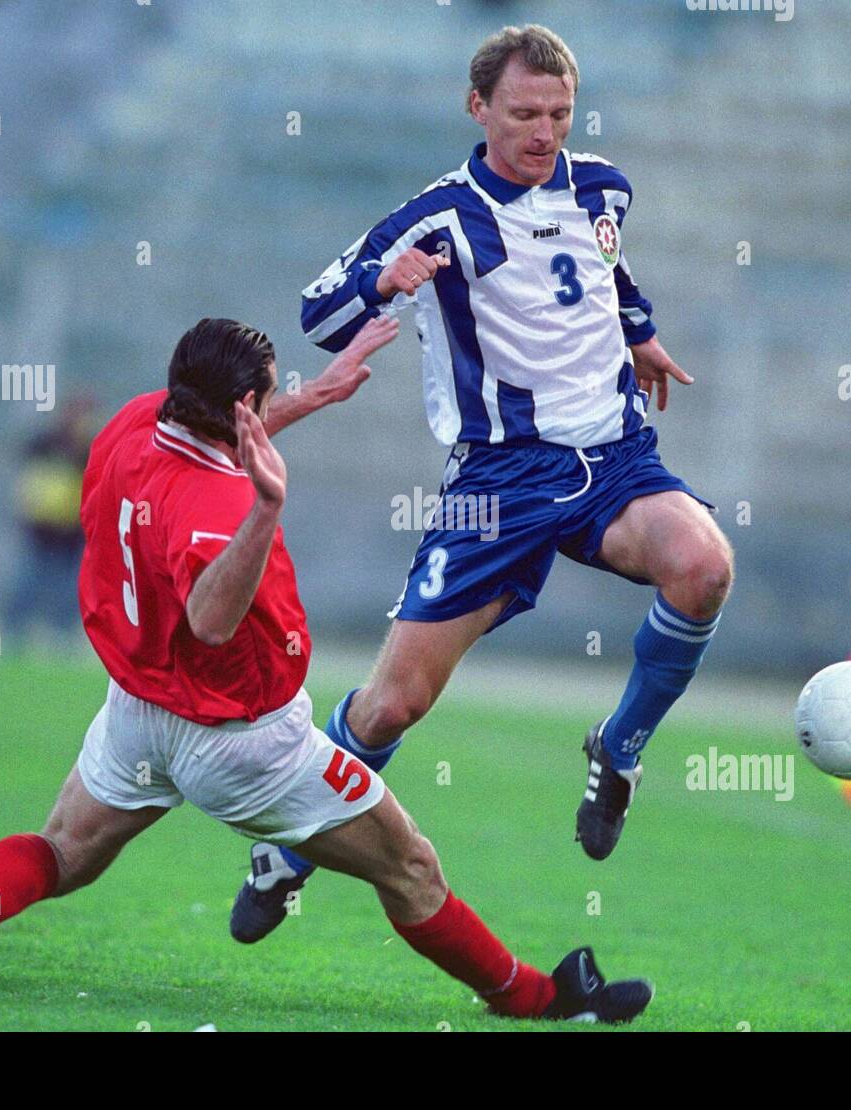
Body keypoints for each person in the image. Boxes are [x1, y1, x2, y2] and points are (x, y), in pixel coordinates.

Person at [0, 316, 653, 1025]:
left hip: (135, 711)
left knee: (60, 851)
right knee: (410, 870)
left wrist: (315, 396)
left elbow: (228, 440)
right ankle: (541, 1000)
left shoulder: (132, 422)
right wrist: (266, 507)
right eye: (271, 389)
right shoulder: (224, 503)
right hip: (243, 741)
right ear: (243, 405)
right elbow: (212, 618)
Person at [233, 23, 733, 942]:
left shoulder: (603, 186)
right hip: (498, 482)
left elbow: (607, 271)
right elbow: (318, 309)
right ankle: (289, 849)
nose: (544, 132)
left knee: (704, 566)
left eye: (559, 114)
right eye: (524, 113)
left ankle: (617, 749)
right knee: (393, 704)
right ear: (478, 108)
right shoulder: (439, 215)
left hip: (615, 458)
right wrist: (385, 280)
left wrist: (640, 332)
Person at [0, 396, 95, 647]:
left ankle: (61, 637)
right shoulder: (44, 443)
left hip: (71, 532)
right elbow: (31, 480)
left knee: (67, 588)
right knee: (29, 582)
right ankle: (13, 632)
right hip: (41, 528)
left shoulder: (87, 451)